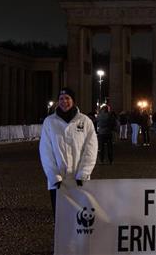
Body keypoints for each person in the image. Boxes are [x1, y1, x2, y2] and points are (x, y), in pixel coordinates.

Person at [39, 87, 97, 216]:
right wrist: (54, 176)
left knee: (79, 220)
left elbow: (91, 150)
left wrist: (83, 173)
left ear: (73, 101)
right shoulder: (49, 122)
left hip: (80, 180)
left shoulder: (85, 121)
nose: (64, 101)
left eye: (67, 98)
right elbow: (46, 151)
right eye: (61, 99)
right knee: (60, 220)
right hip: (58, 182)